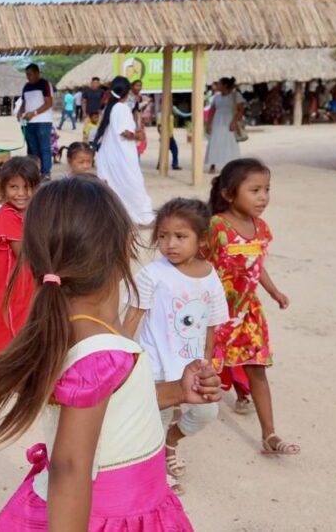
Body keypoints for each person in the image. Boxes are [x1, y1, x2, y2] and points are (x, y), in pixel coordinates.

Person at [0, 176, 221, 531]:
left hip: (126, 504)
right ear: (121, 249)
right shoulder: (100, 349)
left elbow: (115, 406)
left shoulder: (71, 327)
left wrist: (177, 390)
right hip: (111, 517)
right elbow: (70, 467)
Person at [122, 198, 229, 495]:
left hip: (192, 367)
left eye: (181, 236)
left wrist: (207, 363)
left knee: (207, 413)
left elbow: (211, 324)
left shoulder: (210, 276)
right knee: (155, 422)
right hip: (156, 366)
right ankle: (157, 473)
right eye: (163, 236)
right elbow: (132, 318)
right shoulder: (152, 275)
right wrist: (121, 357)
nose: (170, 244)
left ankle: (173, 439)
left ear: (202, 238)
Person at [207, 159, 300, 456]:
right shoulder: (216, 226)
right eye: (255, 190)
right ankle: (170, 435)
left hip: (248, 314)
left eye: (267, 190)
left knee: (258, 370)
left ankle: (269, 434)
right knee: (198, 373)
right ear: (229, 194)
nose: (263, 197)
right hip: (213, 316)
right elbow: (197, 262)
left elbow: (255, 266)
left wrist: (274, 291)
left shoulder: (261, 229)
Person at [0, 157, 40, 363]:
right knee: (9, 324)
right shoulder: (7, 216)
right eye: (14, 187)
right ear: (3, 189)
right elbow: (24, 253)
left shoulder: (27, 213)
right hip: (11, 284)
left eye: (27, 187)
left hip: (21, 280)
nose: (21, 193)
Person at [92, 75, 155, 227]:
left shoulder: (110, 106)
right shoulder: (121, 108)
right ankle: (141, 217)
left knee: (117, 186)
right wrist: (138, 136)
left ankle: (121, 217)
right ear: (127, 93)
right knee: (133, 184)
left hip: (111, 155)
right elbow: (124, 132)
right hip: (122, 155)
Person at [16, 64, 54, 180]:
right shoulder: (26, 86)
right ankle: (35, 172)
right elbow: (24, 102)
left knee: (44, 148)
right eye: (27, 75)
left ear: (37, 73)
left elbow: (49, 103)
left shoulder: (45, 84)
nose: (28, 77)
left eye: (30, 74)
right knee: (32, 148)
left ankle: (46, 173)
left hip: (43, 121)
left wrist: (34, 113)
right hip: (28, 121)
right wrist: (20, 112)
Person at [204, 77, 246, 174]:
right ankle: (213, 164)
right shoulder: (216, 97)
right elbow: (212, 110)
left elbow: (241, 110)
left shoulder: (235, 96)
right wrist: (208, 123)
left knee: (229, 143)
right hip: (217, 121)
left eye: (219, 83)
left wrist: (234, 122)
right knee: (215, 142)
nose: (217, 85)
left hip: (229, 121)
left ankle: (232, 166)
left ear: (225, 85)